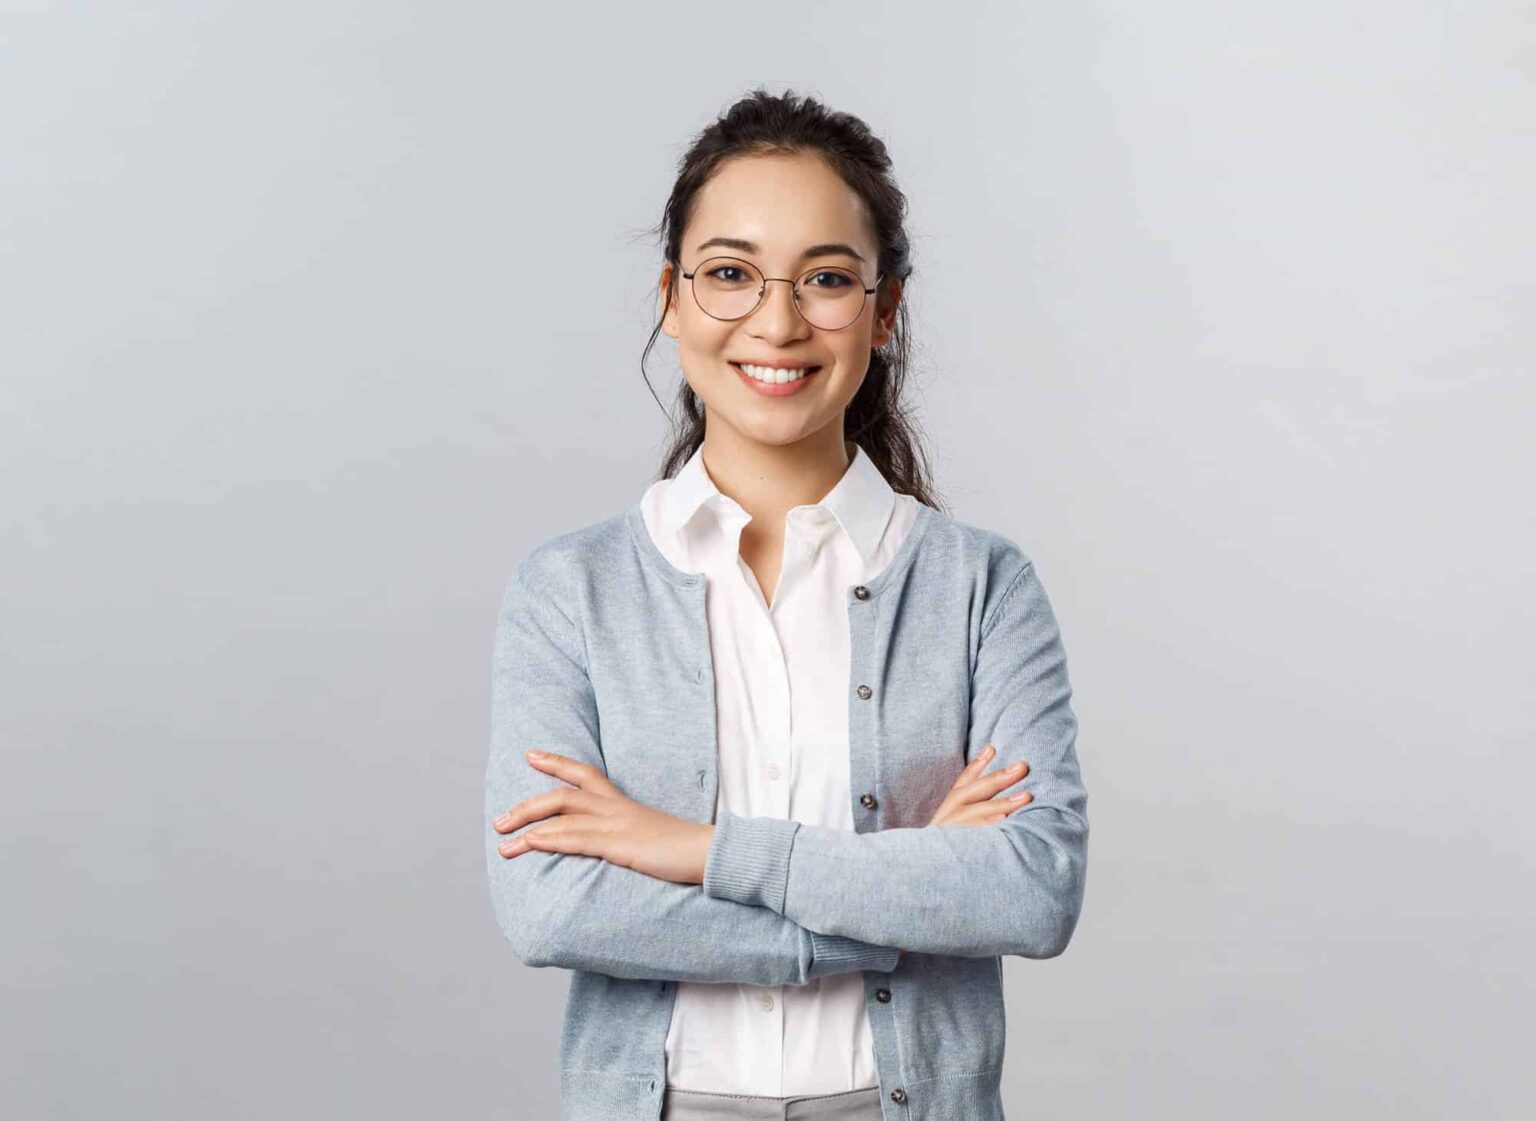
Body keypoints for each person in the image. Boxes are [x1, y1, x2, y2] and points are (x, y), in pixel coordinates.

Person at [486, 89, 1089, 1121]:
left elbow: (1029, 888)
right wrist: (891, 900)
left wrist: (695, 848)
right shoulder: (571, 591)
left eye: (826, 279)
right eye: (729, 273)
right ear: (671, 296)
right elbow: (550, 905)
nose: (777, 320)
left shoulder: (980, 586)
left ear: (883, 310)